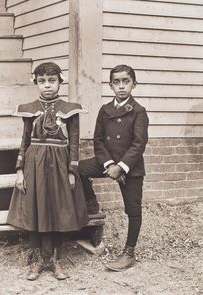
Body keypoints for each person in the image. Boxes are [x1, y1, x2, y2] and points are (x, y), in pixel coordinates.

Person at [7, 62, 88, 280]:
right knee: (36, 210)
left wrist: (72, 171)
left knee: (58, 211)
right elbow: (24, 142)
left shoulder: (70, 109)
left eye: (52, 81)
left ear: (60, 82)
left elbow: (74, 143)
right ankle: (38, 262)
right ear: (36, 83)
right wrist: (20, 171)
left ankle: (55, 261)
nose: (47, 86)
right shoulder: (29, 109)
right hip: (34, 166)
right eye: (42, 81)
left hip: (60, 167)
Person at [78, 64, 149, 271]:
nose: (121, 86)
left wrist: (121, 167)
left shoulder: (138, 111)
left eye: (125, 81)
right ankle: (91, 205)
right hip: (107, 162)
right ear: (110, 85)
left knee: (133, 209)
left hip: (131, 167)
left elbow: (139, 144)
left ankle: (129, 252)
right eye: (116, 82)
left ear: (134, 84)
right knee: (78, 169)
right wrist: (109, 164)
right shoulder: (105, 110)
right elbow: (98, 140)